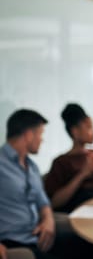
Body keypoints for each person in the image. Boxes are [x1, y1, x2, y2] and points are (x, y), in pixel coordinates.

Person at [0, 109, 57, 259]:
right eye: (40, 134)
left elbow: (43, 202)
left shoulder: (33, 168)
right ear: (28, 135)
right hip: (13, 241)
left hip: (37, 237)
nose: (42, 140)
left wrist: (48, 220)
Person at [44, 103, 93, 213]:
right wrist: (83, 174)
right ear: (75, 131)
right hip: (79, 212)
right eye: (88, 127)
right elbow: (54, 202)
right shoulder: (61, 162)